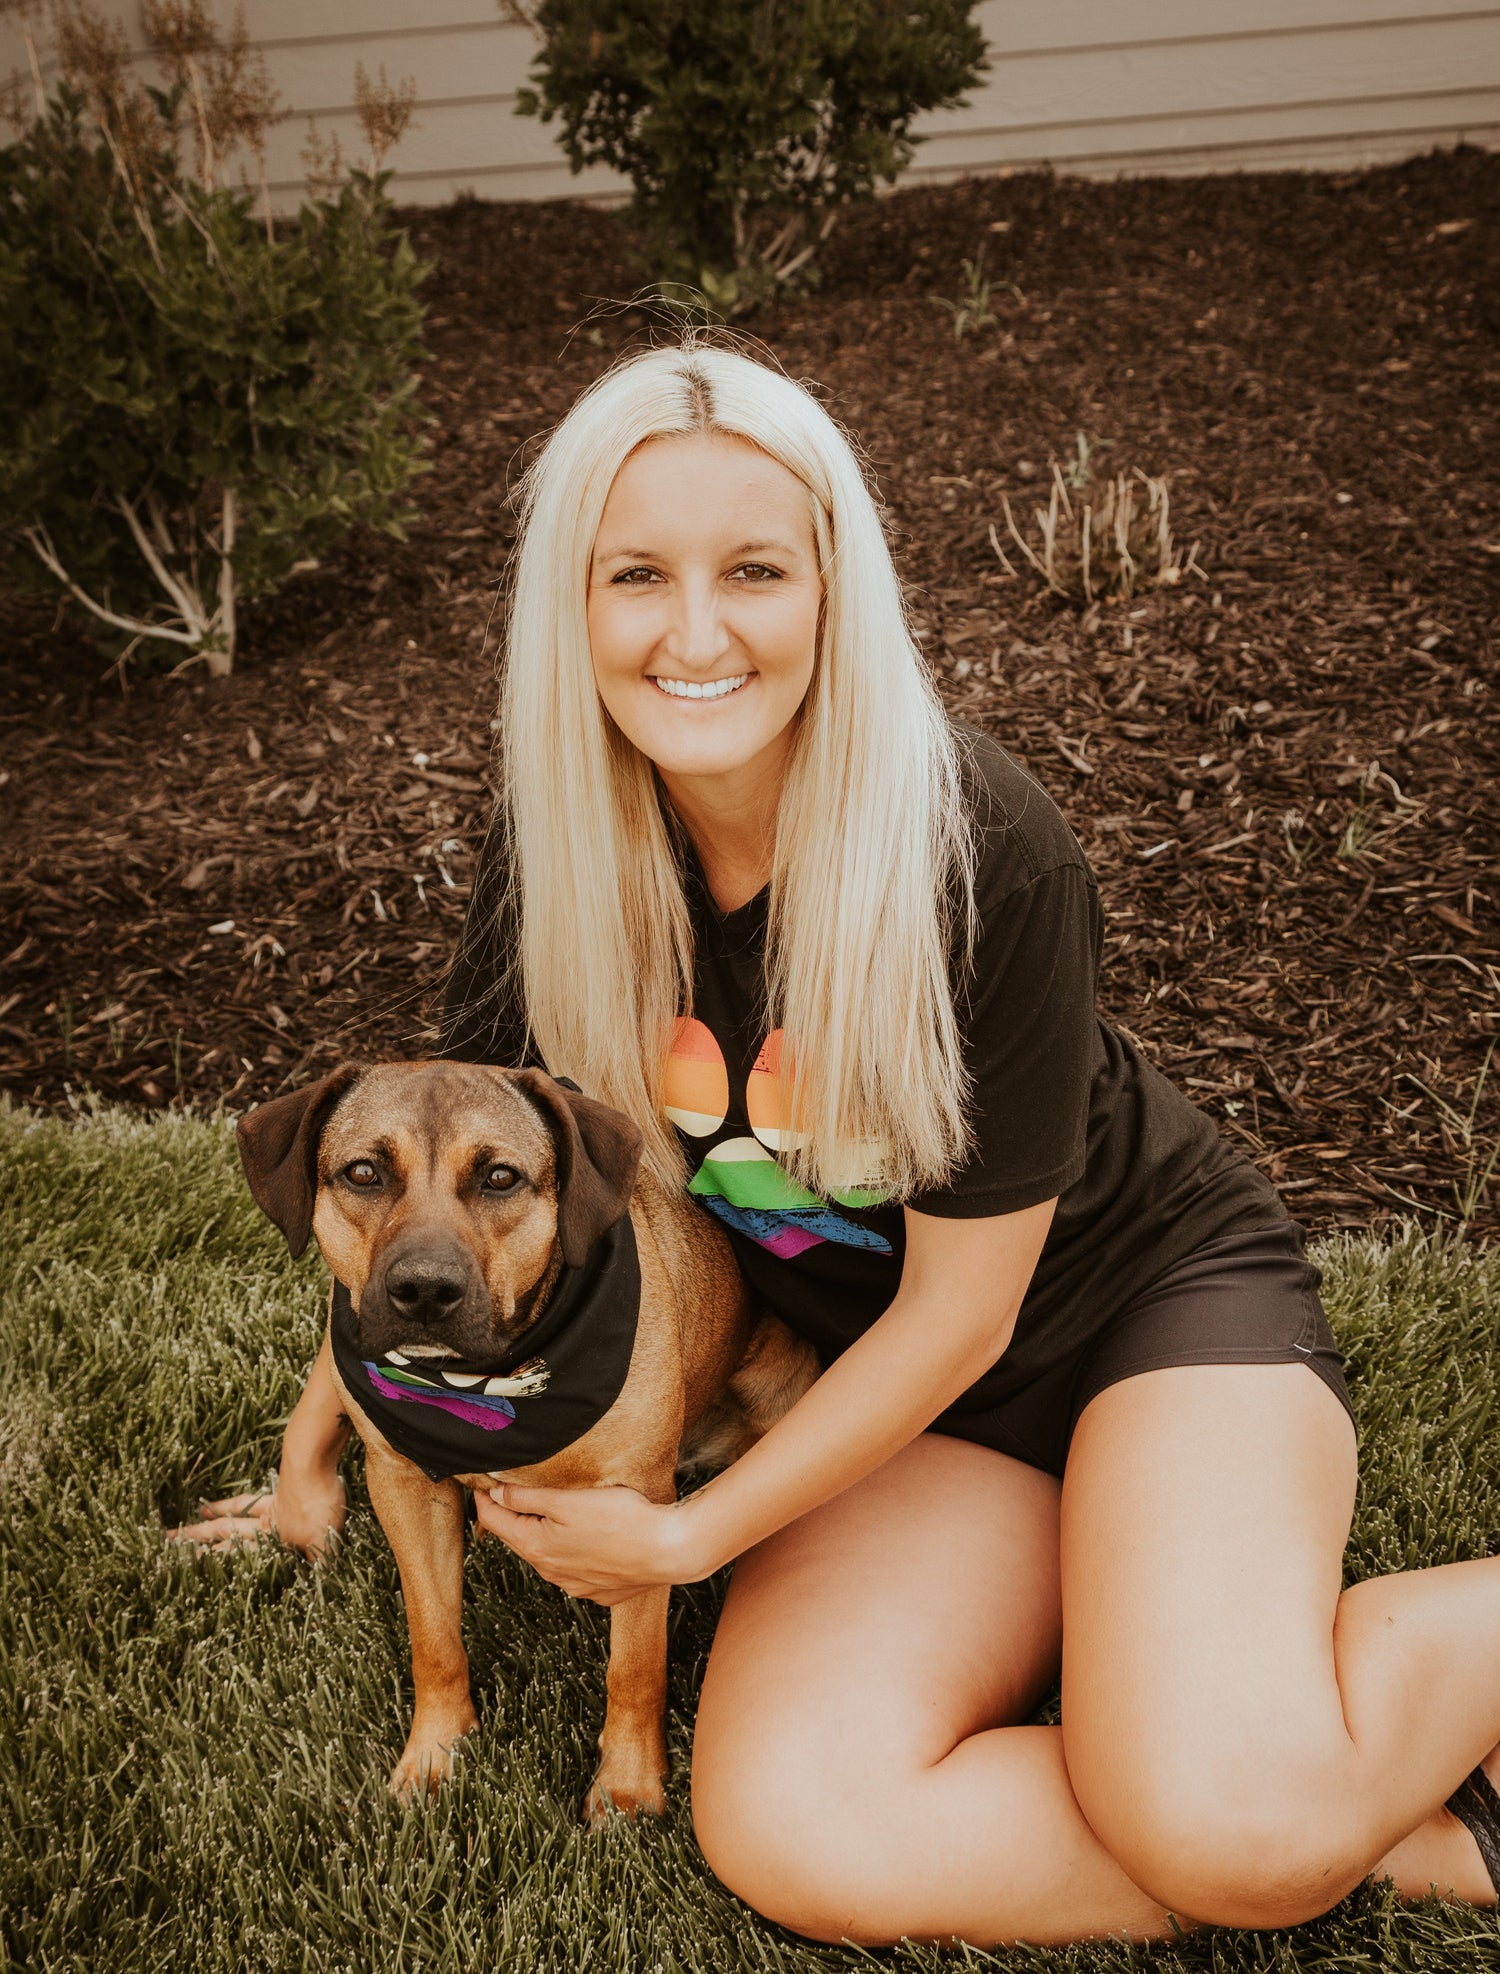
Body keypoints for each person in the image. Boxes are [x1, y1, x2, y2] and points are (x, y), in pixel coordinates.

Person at [175, 340, 1500, 1948]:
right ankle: (1407, 1820)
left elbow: (968, 1311)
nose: (695, 632)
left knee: (1232, 1822)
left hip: (1143, 1321)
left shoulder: (976, 850)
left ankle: (1248, 1764)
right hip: (890, 1402)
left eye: (753, 569)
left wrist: (687, 1533)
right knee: (796, 1830)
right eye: (636, 575)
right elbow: (450, 1215)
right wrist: (318, 1449)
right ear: (569, 607)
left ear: (835, 586)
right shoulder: (562, 857)